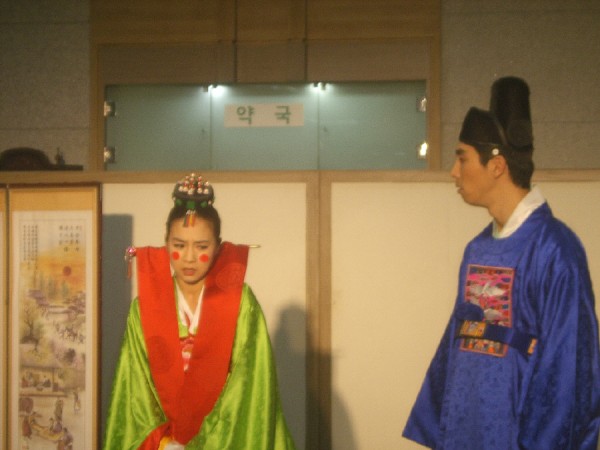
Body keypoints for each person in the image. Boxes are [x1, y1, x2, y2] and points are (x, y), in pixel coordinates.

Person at [403, 77, 600, 449]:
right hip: (467, 428)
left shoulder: (555, 249)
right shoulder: (477, 250)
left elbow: (569, 369)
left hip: (518, 436)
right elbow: (457, 343)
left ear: (496, 165)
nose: (454, 172)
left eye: (462, 158)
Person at [103, 174, 296, 449]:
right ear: (166, 244)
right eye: (179, 245)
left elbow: (249, 386)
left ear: (218, 247)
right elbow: (134, 390)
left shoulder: (241, 303)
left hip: (225, 440)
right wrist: (164, 441)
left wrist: (206, 442)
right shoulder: (144, 308)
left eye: (202, 247)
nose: (190, 257)